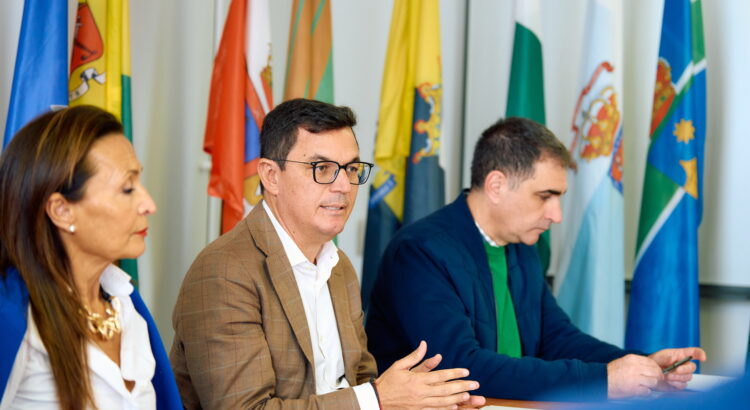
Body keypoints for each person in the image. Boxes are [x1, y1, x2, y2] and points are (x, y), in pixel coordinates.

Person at [170, 98, 484, 409]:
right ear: (271, 176)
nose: (344, 186)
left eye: (351, 169)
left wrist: (420, 402)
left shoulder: (338, 266)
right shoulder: (225, 272)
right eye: (322, 168)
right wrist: (378, 398)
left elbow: (360, 383)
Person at [365, 117, 706, 401]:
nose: (556, 215)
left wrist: (642, 364)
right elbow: (461, 368)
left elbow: (557, 339)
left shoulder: (521, 246)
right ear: (496, 186)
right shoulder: (420, 252)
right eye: (545, 196)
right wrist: (602, 379)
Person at [0, 106, 182, 409]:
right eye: (127, 188)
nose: (149, 204)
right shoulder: (11, 318)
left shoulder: (127, 306)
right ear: (62, 210)